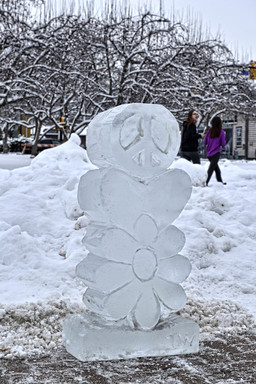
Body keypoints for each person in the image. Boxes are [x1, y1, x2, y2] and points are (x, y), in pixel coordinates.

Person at [204, 116, 226, 186]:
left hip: (209, 154)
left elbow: (205, 142)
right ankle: (205, 182)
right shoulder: (221, 132)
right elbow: (223, 144)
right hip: (216, 153)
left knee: (216, 168)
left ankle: (220, 182)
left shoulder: (209, 131)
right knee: (211, 169)